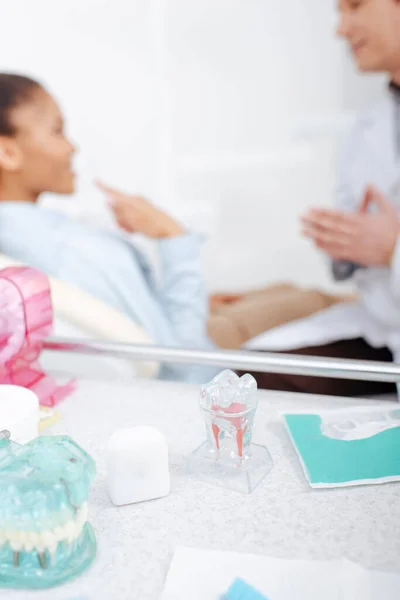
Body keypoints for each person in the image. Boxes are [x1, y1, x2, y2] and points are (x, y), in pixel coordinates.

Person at [0, 72, 219, 383]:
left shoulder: (28, 240)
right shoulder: (68, 249)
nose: (71, 147)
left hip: (176, 323)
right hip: (206, 367)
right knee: (309, 299)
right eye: (58, 131)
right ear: (7, 152)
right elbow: (186, 365)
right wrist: (173, 236)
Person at [241, 0, 400, 397]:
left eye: (355, 7)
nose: (340, 29)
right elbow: (352, 227)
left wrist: (392, 249)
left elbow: (387, 247)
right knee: (249, 377)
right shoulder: (369, 125)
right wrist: (348, 243)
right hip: (384, 322)